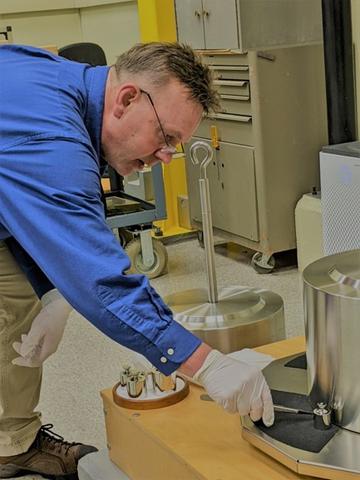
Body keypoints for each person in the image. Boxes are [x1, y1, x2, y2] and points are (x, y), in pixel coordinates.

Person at [0, 42, 274, 479]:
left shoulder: (60, 79)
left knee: (17, 295)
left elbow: (13, 195)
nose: (164, 157)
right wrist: (204, 362)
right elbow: (102, 281)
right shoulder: (54, 141)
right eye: (166, 137)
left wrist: (48, 291)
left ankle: (11, 444)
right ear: (127, 99)